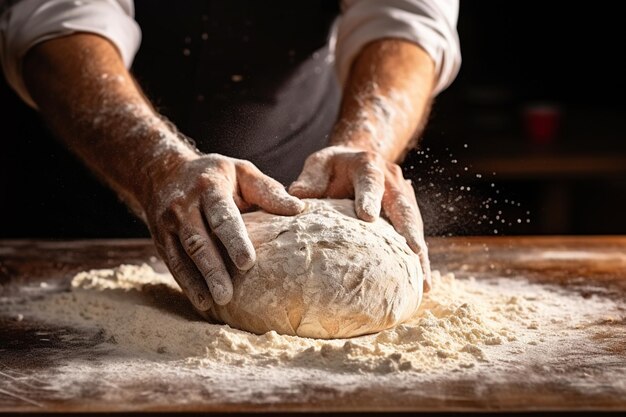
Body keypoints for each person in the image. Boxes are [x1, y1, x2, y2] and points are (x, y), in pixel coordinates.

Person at [0, 0, 460, 312]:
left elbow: (404, 16)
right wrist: (157, 164)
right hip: (85, 180)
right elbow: (55, 19)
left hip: (296, 180)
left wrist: (367, 143)